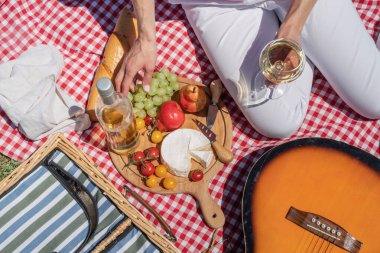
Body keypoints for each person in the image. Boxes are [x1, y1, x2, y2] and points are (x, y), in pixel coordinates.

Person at [115, 0, 380, 138]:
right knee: (278, 122)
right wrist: (146, 38)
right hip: (216, 6)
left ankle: (303, 39)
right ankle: (306, 49)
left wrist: (293, 27)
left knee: (374, 101)